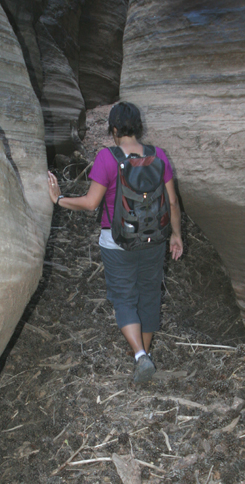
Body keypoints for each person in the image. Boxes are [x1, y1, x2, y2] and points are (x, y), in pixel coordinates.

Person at [48, 102, 183, 383]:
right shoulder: (158, 156)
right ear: (138, 128)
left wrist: (59, 199)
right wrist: (176, 234)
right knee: (149, 295)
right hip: (154, 240)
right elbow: (171, 201)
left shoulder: (107, 158)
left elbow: (90, 202)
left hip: (116, 241)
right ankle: (143, 355)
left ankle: (140, 356)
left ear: (113, 129)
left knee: (124, 297)